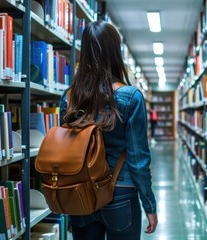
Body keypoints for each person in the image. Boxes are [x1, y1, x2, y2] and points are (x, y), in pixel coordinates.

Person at [58, 20, 158, 240]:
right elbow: (138, 159)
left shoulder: (69, 97)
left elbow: (64, 150)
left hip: (81, 192)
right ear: (115, 51)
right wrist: (149, 204)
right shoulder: (131, 96)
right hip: (120, 191)